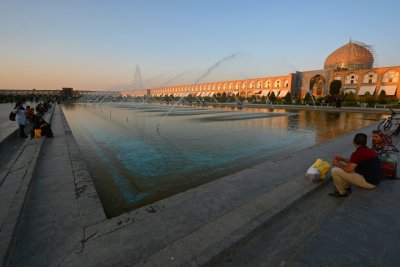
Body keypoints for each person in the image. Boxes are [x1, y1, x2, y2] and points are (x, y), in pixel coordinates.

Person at [329, 133, 381, 198]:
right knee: (346, 168)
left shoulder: (357, 153)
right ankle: (347, 187)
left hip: (369, 183)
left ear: (353, 141)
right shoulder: (367, 150)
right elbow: (353, 162)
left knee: (335, 170)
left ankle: (342, 193)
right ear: (365, 142)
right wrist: (342, 159)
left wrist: (338, 164)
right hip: (374, 180)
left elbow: (349, 169)